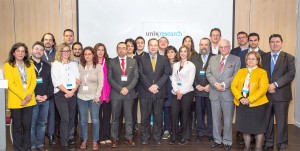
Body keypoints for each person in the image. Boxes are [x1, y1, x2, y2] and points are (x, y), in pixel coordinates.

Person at [262, 34, 296, 151]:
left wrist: (274, 84)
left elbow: (290, 75)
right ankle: (268, 142)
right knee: (267, 121)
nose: (275, 44)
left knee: (281, 122)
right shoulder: (264, 57)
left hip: (281, 95)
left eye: (277, 41)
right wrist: (266, 86)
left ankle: (281, 144)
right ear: (269, 43)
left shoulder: (289, 57)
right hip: (265, 94)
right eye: (272, 42)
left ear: (281, 43)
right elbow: (260, 74)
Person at [206, 39, 240, 151]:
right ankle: (217, 140)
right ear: (218, 48)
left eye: (225, 47)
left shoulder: (236, 59)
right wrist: (216, 84)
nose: (223, 49)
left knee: (227, 120)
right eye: (221, 47)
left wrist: (224, 84)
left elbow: (236, 76)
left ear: (229, 47)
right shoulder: (213, 58)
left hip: (228, 94)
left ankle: (227, 141)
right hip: (214, 93)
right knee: (215, 119)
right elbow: (208, 73)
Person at [231, 51, 269, 151]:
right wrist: (240, 98)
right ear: (246, 60)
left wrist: (249, 99)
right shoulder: (241, 71)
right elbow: (233, 86)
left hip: (257, 105)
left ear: (258, 60)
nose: (251, 60)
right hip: (242, 104)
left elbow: (263, 89)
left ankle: (258, 148)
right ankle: (247, 148)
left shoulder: (262, 72)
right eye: (249, 58)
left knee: (258, 128)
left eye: (253, 58)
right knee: (245, 128)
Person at [4, 42, 37, 151]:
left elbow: (33, 81)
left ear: (25, 53)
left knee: (27, 127)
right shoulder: (8, 65)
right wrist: (24, 97)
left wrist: (27, 97)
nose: (20, 53)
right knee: (17, 128)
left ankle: (27, 148)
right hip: (16, 101)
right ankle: (17, 149)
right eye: (18, 51)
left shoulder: (30, 64)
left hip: (29, 100)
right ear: (13, 53)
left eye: (23, 51)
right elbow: (10, 84)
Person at [138, 38, 170, 145]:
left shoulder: (163, 59)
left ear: (158, 47)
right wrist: (149, 86)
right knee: (145, 117)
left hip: (159, 92)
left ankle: (157, 137)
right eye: (151, 45)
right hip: (145, 92)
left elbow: (166, 74)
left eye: (155, 45)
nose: (153, 47)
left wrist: (156, 85)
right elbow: (140, 74)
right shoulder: (142, 59)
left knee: (158, 116)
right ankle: (145, 137)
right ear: (148, 47)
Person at [108, 42, 139, 148]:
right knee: (115, 118)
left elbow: (136, 77)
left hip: (129, 94)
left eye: (123, 48)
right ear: (117, 50)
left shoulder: (133, 61)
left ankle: (129, 138)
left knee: (129, 117)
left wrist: (128, 88)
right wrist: (120, 89)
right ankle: (114, 138)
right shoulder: (111, 62)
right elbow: (110, 78)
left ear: (127, 50)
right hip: (116, 94)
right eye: (119, 48)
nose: (121, 50)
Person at [51, 43, 79, 151]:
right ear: (60, 52)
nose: (66, 53)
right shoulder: (56, 64)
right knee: (65, 118)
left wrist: (72, 91)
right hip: (60, 94)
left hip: (72, 93)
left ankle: (69, 138)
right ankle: (64, 142)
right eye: (64, 51)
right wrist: (67, 91)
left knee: (72, 117)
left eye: (68, 51)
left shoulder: (74, 64)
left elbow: (78, 80)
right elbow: (56, 82)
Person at [77, 46, 103, 150]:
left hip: (94, 98)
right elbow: (76, 79)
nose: (87, 56)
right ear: (83, 56)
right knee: (83, 120)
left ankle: (95, 141)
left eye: (89, 54)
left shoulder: (98, 67)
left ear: (93, 55)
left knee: (95, 120)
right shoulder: (80, 66)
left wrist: (97, 96)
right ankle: (84, 140)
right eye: (85, 54)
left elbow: (101, 83)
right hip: (81, 97)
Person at [169, 46, 196, 145]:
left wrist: (182, 92)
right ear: (179, 53)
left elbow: (190, 81)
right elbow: (174, 79)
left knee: (185, 114)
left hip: (187, 92)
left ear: (188, 53)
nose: (183, 53)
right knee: (174, 114)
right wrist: (177, 91)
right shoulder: (175, 65)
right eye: (181, 51)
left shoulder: (191, 65)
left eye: (185, 51)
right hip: (176, 92)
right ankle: (174, 136)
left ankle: (185, 137)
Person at [30, 42, 53, 151]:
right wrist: (35, 96)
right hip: (31, 100)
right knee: (32, 124)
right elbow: (24, 84)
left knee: (42, 124)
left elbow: (50, 83)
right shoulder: (26, 65)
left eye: (41, 50)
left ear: (43, 52)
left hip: (45, 100)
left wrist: (46, 96)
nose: (38, 51)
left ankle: (40, 144)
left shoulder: (47, 65)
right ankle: (33, 145)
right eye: (36, 49)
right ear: (31, 50)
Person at [190, 38, 214, 142]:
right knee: (199, 113)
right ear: (199, 46)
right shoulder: (193, 58)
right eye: (202, 45)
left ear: (209, 46)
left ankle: (210, 133)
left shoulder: (215, 58)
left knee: (211, 113)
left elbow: (217, 74)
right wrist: (196, 85)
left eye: (206, 45)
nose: (204, 47)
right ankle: (200, 132)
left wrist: (210, 85)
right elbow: (190, 74)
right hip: (198, 90)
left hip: (211, 91)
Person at [41, 32, 58, 144]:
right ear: (43, 41)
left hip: (56, 86)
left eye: (50, 39)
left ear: (53, 42)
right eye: (46, 39)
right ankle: (40, 135)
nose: (48, 41)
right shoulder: (38, 52)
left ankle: (51, 134)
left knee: (52, 112)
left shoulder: (58, 53)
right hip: (42, 86)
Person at [95, 43, 112, 146]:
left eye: (102, 50)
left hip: (108, 92)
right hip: (96, 93)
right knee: (97, 117)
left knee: (106, 115)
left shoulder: (109, 62)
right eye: (98, 50)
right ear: (95, 51)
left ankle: (106, 135)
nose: (100, 52)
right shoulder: (92, 62)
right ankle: (99, 137)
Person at [162, 45, 178, 140]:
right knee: (167, 110)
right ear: (166, 54)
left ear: (175, 53)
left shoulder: (180, 63)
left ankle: (175, 130)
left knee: (176, 111)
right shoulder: (163, 63)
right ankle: (166, 130)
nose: (170, 54)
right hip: (166, 90)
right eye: (168, 52)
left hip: (177, 90)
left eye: (172, 52)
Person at [125, 38, 139, 133]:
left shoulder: (137, 59)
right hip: (122, 89)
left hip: (134, 88)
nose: (129, 48)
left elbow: (138, 75)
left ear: (134, 47)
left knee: (133, 110)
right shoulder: (120, 58)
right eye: (128, 46)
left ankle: (133, 126)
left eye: (131, 46)